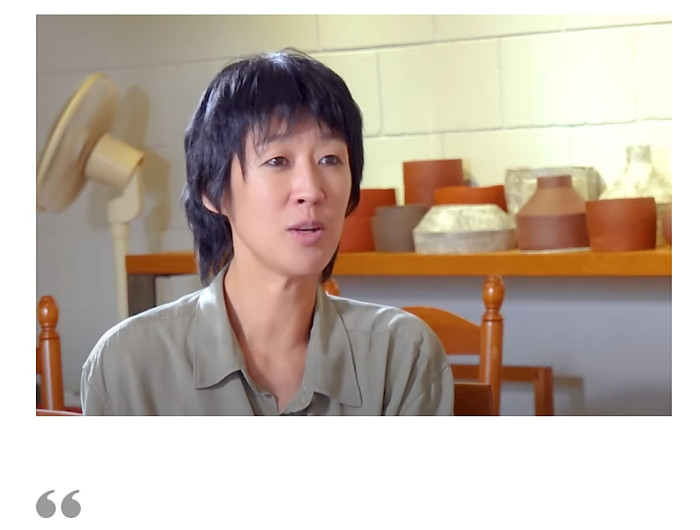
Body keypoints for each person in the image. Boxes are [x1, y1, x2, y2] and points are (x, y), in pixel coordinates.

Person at [81, 49, 453, 415]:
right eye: (277, 160)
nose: (311, 190)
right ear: (212, 191)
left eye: (330, 159)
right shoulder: (127, 366)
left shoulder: (402, 356)